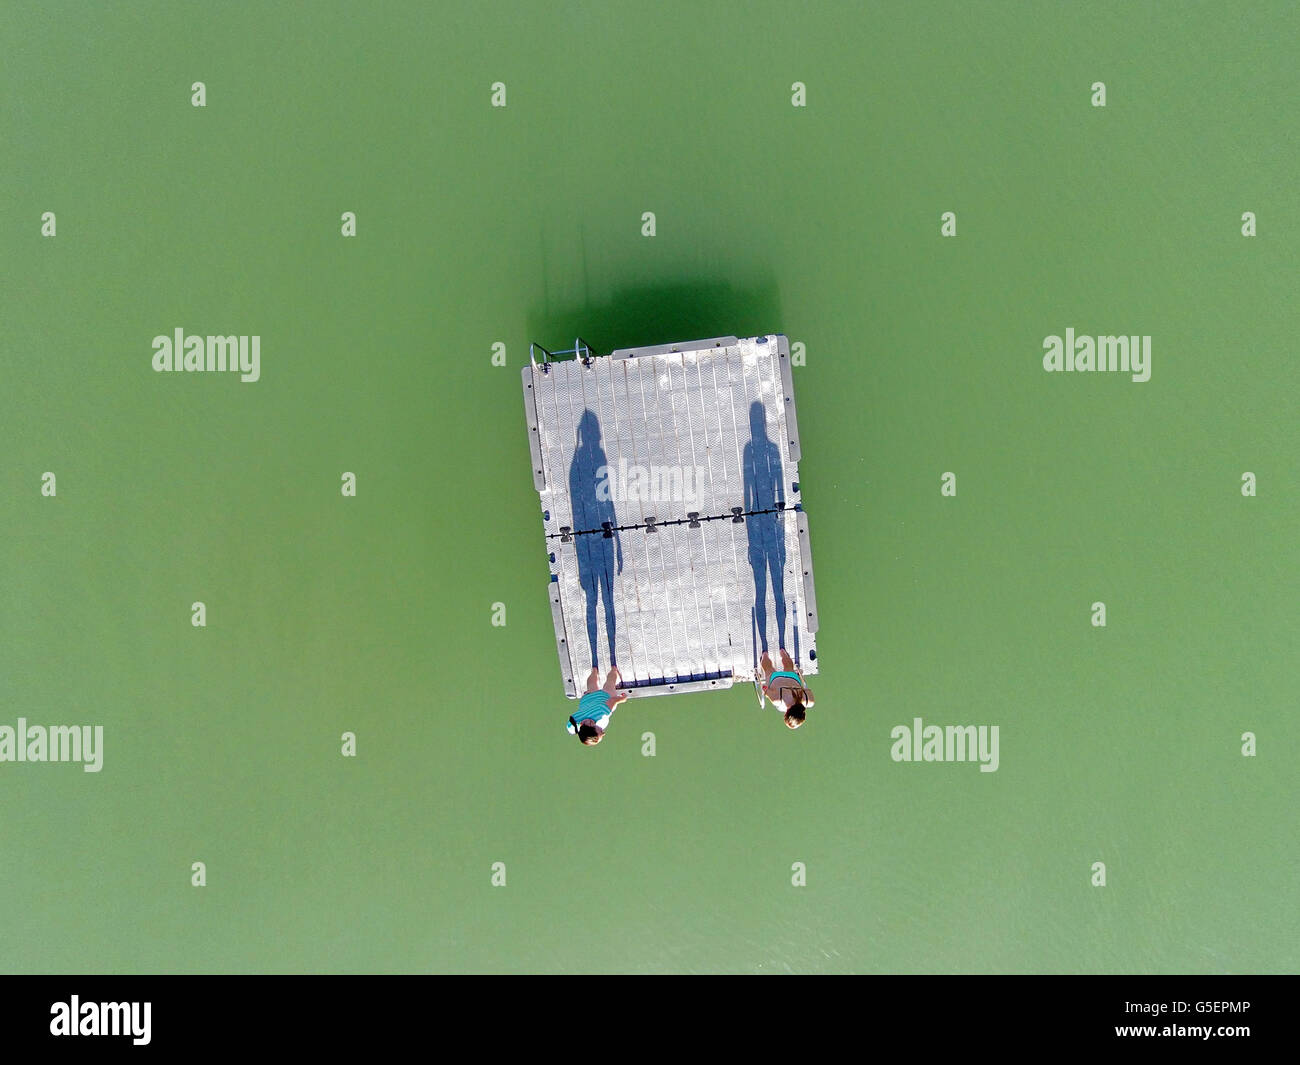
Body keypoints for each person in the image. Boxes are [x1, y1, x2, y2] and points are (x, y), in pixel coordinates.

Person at [566, 667, 628, 746]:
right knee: (592, 685)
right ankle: (594, 671)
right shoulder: (573, 725)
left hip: (603, 696)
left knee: (610, 683)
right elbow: (570, 728)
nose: (603, 733)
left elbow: (613, 700)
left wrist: (623, 698)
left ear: (591, 725)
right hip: (587, 698)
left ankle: (614, 670)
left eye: (601, 731)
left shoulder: (602, 714)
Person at [759, 649, 814, 729]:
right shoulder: (777, 700)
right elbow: (765, 689)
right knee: (768, 669)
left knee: (789, 667)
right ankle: (764, 654)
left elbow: (807, 690)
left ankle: (783, 652)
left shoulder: (809, 701)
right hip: (775, 677)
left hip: (792, 677)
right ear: (786, 714)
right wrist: (764, 688)